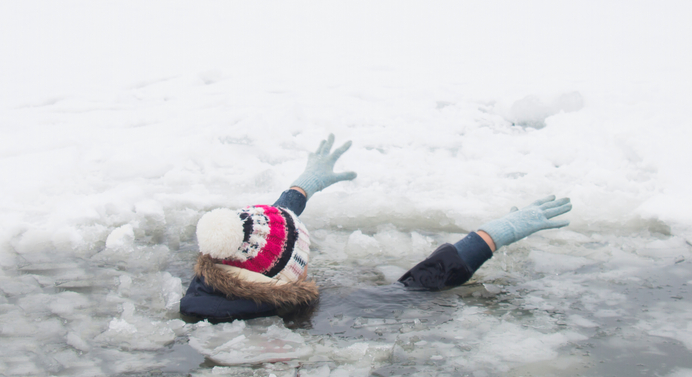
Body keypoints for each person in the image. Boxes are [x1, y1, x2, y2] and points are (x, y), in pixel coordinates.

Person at [179, 135, 572, 323]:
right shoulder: (292, 312)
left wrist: (300, 189)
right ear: (285, 279)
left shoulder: (203, 291)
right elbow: (414, 286)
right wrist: (486, 239)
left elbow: (263, 239)